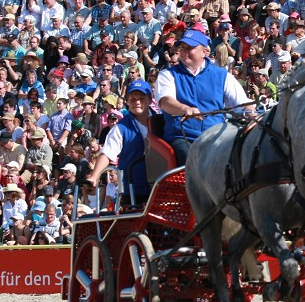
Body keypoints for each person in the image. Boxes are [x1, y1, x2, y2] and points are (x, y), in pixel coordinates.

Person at [155, 28, 255, 167]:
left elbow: (243, 104)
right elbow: (166, 101)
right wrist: (185, 109)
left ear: (205, 52)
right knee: (192, 159)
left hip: (217, 136)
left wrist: (253, 114)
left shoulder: (222, 75)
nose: (184, 52)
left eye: (190, 48)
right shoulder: (168, 74)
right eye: (182, 48)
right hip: (183, 137)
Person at [90, 79, 156, 203]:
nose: (137, 102)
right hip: (134, 190)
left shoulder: (161, 121)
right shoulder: (120, 128)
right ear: (127, 102)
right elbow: (107, 153)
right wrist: (94, 176)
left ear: (150, 99)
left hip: (161, 188)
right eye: (132, 99)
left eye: (141, 98)